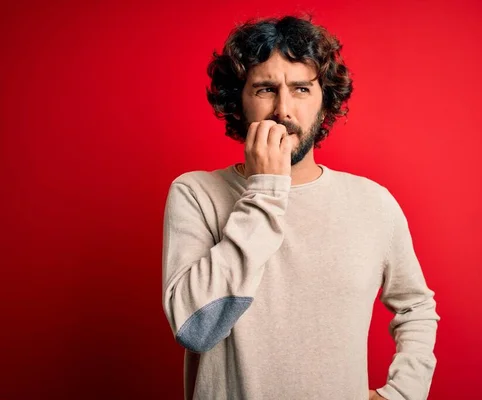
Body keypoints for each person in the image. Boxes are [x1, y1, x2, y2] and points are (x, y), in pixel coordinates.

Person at [162, 14, 440, 400]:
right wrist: (266, 190)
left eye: (301, 89)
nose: (283, 109)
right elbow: (196, 329)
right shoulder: (196, 194)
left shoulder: (373, 203)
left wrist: (403, 392)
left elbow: (415, 306)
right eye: (264, 89)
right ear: (238, 104)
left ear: (325, 104)